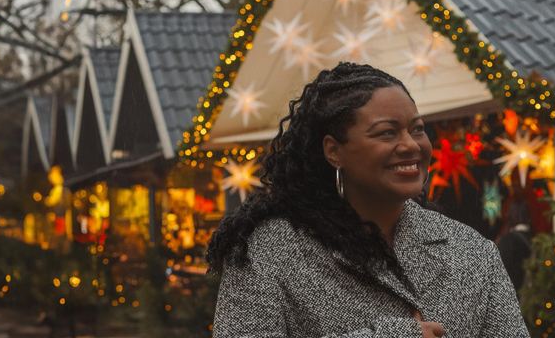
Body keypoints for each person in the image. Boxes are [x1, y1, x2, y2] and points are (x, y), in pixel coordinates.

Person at [207, 63, 530, 338]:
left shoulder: (472, 253)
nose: (411, 146)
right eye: (387, 133)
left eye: (417, 129)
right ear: (334, 150)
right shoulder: (268, 251)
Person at [496, 199, 534, 294]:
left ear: (511, 217)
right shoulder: (536, 238)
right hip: (531, 295)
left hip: (514, 296)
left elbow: (499, 272)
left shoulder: (507, 240)